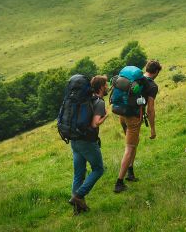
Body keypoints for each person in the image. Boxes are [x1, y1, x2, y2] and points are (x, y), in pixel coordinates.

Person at [114, 60, 162, 193]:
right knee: (129, 148)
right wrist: (152, 128)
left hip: (122, 114)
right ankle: (119, 183)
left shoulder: (135, 79)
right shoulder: (152, 86)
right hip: (133, 118)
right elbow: (150, 110)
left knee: (134, 143)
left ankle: (130, 173)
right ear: (156, 72)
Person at [69, 75, 109, 213]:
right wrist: (105, 116)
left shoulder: (84, 99)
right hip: (87, 142)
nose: (108, 86)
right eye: (106, 84)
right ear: (101, 87)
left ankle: (78, 210)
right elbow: (95, 123)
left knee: (79, 174)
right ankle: (78, 196)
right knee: (98, 169)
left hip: (74, 140)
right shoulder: (99, 102)